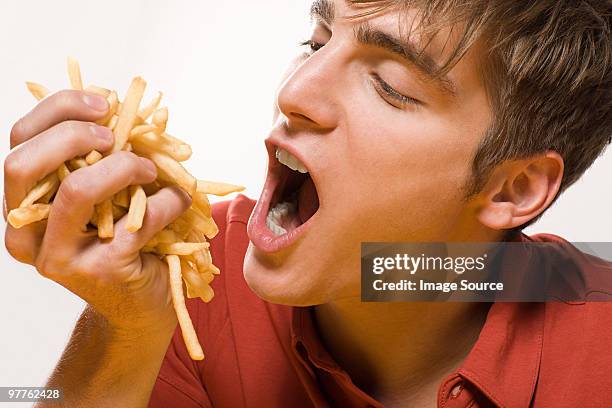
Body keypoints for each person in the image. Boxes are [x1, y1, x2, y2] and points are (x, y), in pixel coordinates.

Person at [4, 0, 612, 406]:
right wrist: (125, 329)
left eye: (389, 86)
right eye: (316, 40)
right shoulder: (189, 279)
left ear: (514, 188)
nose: (294, 93)